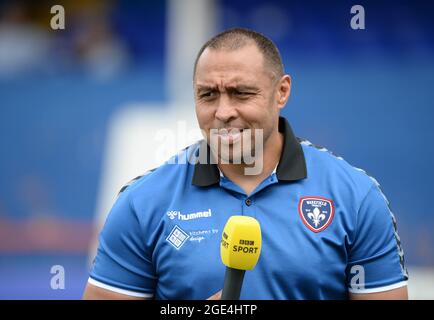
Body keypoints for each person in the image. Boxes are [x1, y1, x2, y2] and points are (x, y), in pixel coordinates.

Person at [83, 28, 408, 300]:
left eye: (241, 93)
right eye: (208, 95)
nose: (223, 112)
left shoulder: (356, 197)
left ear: (281, 92)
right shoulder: (142, 202)